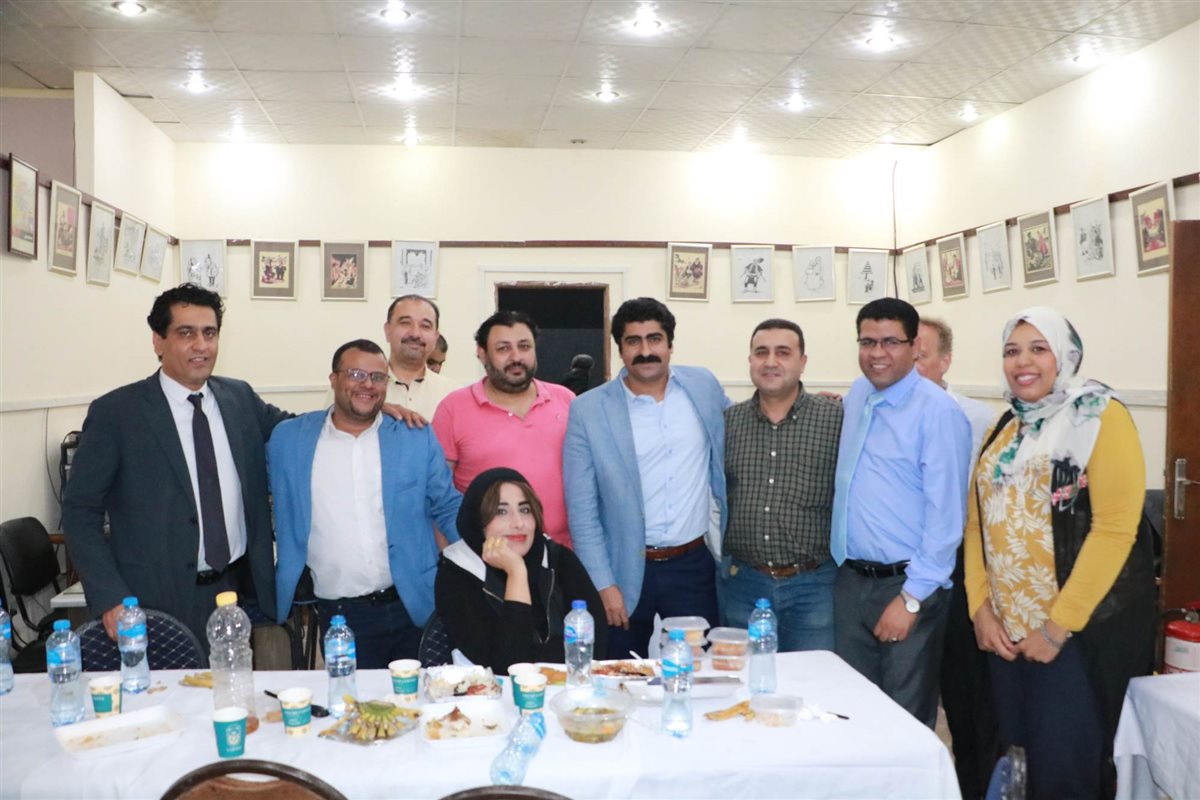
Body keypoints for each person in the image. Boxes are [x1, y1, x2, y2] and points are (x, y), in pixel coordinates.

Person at [965, 308, 1155, 800]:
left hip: (1073, 636)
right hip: (1006, 637)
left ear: (1066, 356)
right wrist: (980, 608)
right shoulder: (1007, 426)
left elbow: (1115, 530)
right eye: (1012, 351)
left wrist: (1056, 628)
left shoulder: (1099, 417)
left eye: (1038, 348)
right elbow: (977, 523)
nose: (1022, 362)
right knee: (1017, 765)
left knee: (1065, 771)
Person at [63, 284, 289, 647]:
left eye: (209, 333)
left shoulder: (239, 398)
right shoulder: (117, 413)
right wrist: (109, 596)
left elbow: (296, 431)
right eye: (186, 333)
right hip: (152, 602)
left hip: (237, 592)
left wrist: (366, 413)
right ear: (158, 340)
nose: (201, 345)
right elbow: (80, 511)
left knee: (232, 683)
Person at [270, 340, 462, 668]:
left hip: (415, 605)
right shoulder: (288, 440)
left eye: (378, 377)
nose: (367, 385)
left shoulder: (415, 436)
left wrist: (484, 555)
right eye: (356, 374)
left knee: (424, 697)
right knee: (352, 699)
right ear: (333, 379)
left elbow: (446, 505)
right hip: (341, 616)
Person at [831, 297, 972, 728]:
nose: (878, 353)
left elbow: (947, 521)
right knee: (852, 711)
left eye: (891, 342)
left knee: (902, 719)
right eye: (867, 342)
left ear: (914, 347)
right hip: (850, 580)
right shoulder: (859, 394)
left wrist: (911, 600)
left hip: (906, 585)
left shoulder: (939, 413)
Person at [564, 297, 729, 659]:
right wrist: (603, 584)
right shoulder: (588, 410)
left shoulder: (703, 386)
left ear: (670, 344)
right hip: (623, 568)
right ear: (620, 349)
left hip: (692, 566)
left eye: (654, 339)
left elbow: (746, 422)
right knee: (619, 675)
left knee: (698, 672)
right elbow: (582, 512)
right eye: (633, 341)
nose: (645, 351)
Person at [915, 316, 1000, 799]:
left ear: (945, 361)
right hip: (899, 573)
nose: (908, 361)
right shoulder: (871, 407)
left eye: (921, 354)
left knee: (966, 698)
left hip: (961, 569)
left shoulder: (978, 419)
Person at [721, 319, 841, 648]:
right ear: (750, 361)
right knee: (745, 677)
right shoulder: (727, 423)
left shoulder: (836, 419)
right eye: (761, 352)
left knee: (814, 676)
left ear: (803, 362)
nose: (771, 361)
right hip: (743, 584)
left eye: (783, 353)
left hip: (814, 586)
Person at [436, 468, 607, 672]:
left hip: (567, 684)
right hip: (491, 689)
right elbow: (508, 665)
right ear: (478, 521)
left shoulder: (557, 557)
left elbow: (596, 646)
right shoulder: (456, 570)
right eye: (501, 511)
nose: (518, 523)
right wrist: (516, 573)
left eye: (525, 510)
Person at [433, 310, 575, 547]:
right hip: (487, 557)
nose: (516, 357)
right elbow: (438, 496)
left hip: (563, 555)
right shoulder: (453, 409)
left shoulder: (566, 401)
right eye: (503, 348)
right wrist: (449, 557)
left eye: (524, 346)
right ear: (482, 353)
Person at [916, 318, 997, 457]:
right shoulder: (884, 415)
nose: (908, 365)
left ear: (944, 362)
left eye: (919, 356)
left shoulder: (980, 419)